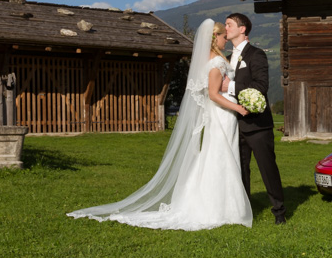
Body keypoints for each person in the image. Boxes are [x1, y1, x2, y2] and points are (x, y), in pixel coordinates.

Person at [67, 19, 253, 230]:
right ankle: (222, 207)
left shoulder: (207, 61)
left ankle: (221, 204)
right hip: (222, 114)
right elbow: (212, 94)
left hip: (218, 116)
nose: (225, 40)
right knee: (222, 155)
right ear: (214, 39)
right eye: (222, 37)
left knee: (216, 155)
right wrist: (237, 108)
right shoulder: (217, 63)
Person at [223, 12, 287, 224]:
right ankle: (244, 210)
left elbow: (260, 87)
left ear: (243, 29)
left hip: (257, 125)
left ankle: (279, 212)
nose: (226, 28)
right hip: (233, 124)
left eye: (229, 24)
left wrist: (230, 86)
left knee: (267, 169)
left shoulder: (256, 54)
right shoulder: (226, 59)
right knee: (240, 170)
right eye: (225, 25)